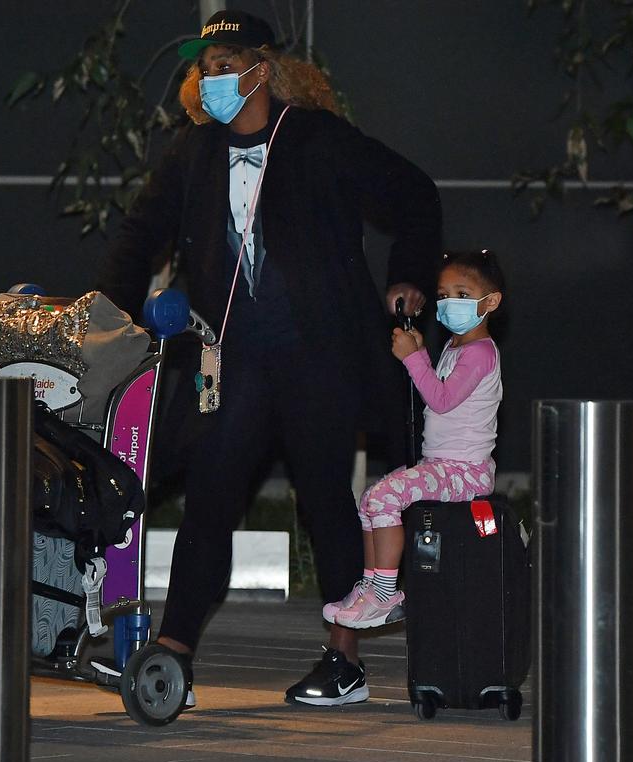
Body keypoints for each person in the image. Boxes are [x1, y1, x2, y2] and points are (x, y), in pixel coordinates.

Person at [95, 9, 442, 707]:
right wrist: (103, 315)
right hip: (238, 360)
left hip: (320, 356)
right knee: (210, 497)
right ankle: (174, 655)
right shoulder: (193, 154)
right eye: (205, 68)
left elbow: (414, 194)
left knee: (324, 501)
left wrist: (408, 275)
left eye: (226, 65)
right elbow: (141, 236)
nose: (212, 79)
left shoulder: (315, 139)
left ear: (262, 68)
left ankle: (343, 661)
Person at [326, 251, 504, 630]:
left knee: (386, 497)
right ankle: (372, 585)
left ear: (490, 302)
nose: (449, 302)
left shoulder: (480, 353)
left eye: (461, 293)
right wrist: (420, 354)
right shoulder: (457, 347)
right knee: (371, 499)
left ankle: (387, 592)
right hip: (441, 465)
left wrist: (415, 357)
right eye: (443, 294)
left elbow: (440, 400)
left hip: (465, 472)